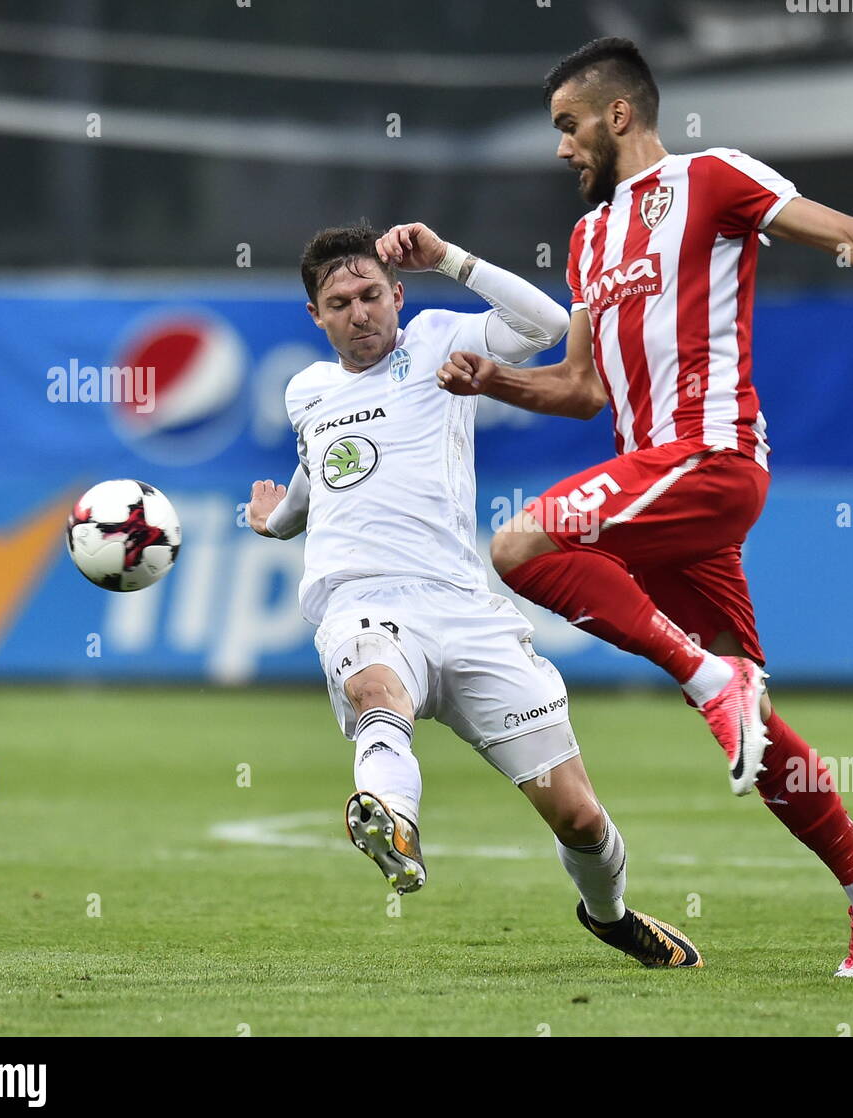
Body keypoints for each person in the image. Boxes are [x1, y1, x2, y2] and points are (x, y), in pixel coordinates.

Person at [435, 38, 853, 976]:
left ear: (619, 115)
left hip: (711, 456)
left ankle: (703, 676)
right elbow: (579, 387)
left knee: (521, 543)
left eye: (568, 126)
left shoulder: (715, 179)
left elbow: (846, 230)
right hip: (654, 488)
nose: (562, 147)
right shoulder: (588, 239)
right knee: (756, 725)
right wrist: (495, 378)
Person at [247, 220, 703, 969]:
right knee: (375, 690)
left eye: (370, 294)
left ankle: (611, 914)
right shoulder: (308, 391)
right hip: (361, 599)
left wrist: (450, 260)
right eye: (339, 302)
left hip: (462, 605)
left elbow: (549, 324)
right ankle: (392, 819)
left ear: (396, 294)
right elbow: (316, 477)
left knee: (580, 817)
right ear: (316, 316)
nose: (359, 312)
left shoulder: (434, 342)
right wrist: (278, 520)